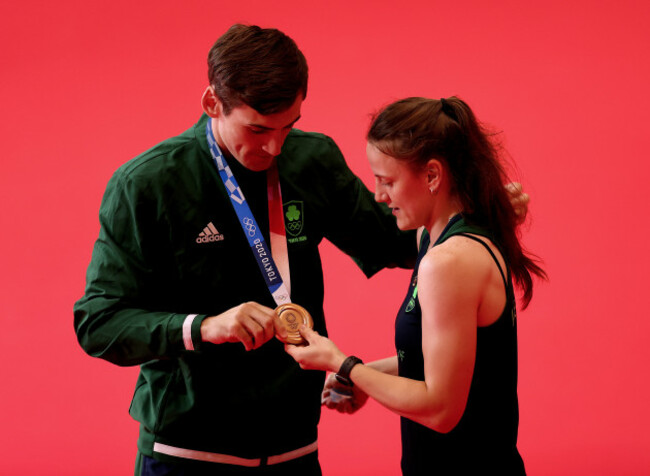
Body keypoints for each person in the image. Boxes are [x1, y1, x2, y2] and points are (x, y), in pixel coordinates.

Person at [73, 24, 418, 476]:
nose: (274, 147)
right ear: (212, 103)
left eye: (288, 127)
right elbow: (98, 322)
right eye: (257, 129)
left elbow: (395, 240)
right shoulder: (148, 183)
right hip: (186, 452)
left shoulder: (311, 160)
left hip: (295, 446)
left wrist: (469, 214)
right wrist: (205, 326)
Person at [286, 96, 546, 475]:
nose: (378, 195)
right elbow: (449, 363)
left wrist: (342, 363)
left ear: (432, 176)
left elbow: (441, 410)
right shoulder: (434, 238)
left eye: (387, 181)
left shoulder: (448, 263)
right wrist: (367, 376)